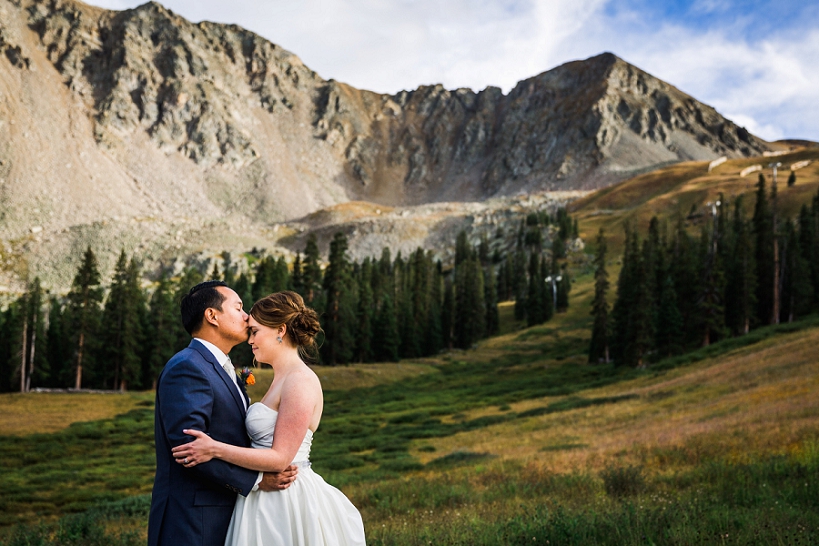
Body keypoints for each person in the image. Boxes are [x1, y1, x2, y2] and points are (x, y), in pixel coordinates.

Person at [172, 290, 366, 546]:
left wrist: (215, 449)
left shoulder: (299, 380)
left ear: (280, 330)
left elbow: (280, 458)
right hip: (260, 497)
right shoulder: (280, 379)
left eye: (255, 331)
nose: (250, 339)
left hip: (286, 498)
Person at [148, 281, 299, 546]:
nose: (247, 317)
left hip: (225, 515)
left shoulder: (217, 366)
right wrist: (255, 481)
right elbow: (189, 449)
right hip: (192, 522)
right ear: (212, 316)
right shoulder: (187, 367)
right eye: (239, 308)